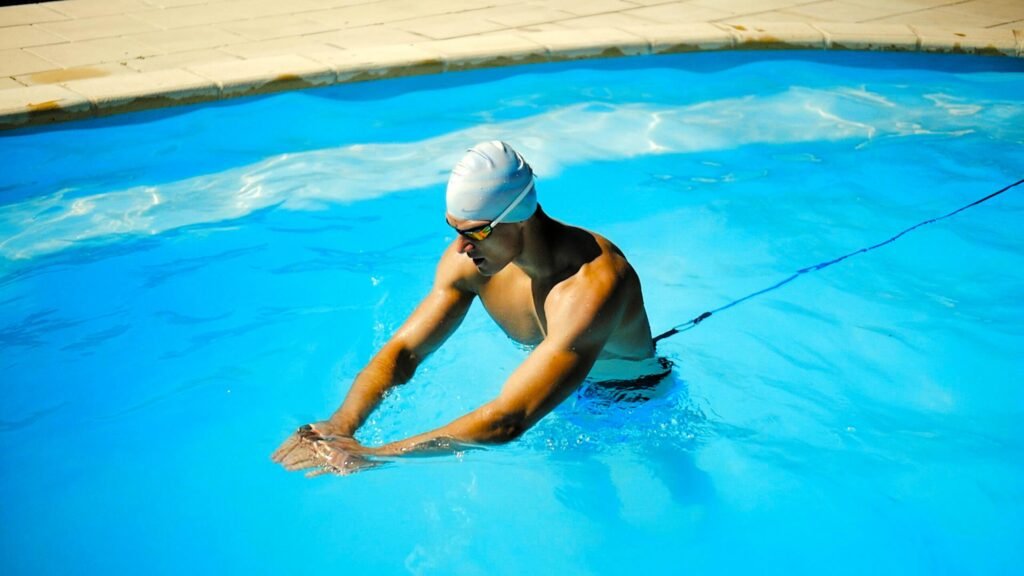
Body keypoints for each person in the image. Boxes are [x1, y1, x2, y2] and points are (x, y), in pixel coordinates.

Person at [272, 141, 669, 476]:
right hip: (559, 400)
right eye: (455, 229)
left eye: (475, 231)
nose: (461, 247)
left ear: (521, 217)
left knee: (681, 497)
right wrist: (340, 426)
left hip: (638, 404)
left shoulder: (593, 286)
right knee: (582, 495)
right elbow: (404, 353)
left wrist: (373, 454)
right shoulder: (476, 262)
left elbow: (508, 420)